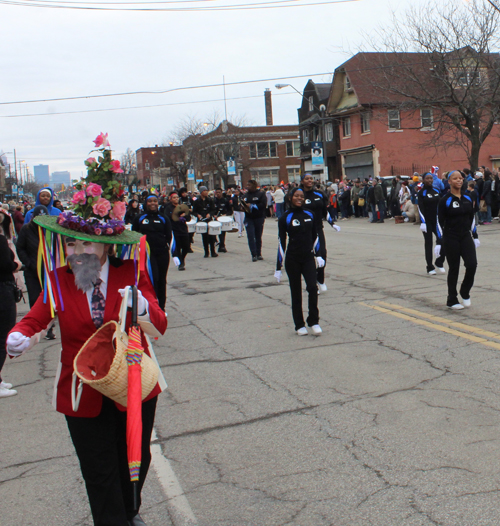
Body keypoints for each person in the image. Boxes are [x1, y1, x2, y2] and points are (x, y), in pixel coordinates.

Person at [7, 135, 168, 526]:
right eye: (73, 245)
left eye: (88, 246)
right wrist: (22, 335)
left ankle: (128, 511)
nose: (79, 253)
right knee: (98, 470)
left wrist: (142, 304)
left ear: (107, 247)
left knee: (135, 458)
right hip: (82, 387)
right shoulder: (61, 280)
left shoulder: (131, 272)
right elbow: (39, 316)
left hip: (131, 381)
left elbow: (159, 323)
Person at [275, 188, 323, 336]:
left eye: (301, 196)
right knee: (296, 292)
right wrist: (278, 267)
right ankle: (299, 325)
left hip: (308, 258)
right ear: (290, 198)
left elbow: (315, 236)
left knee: (312, 288)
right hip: (293, 259)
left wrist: (319, 255)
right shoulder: (285, 218)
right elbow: (282, 242)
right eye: (296, 196)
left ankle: (313, 321)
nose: (299, 198)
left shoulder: (310, 214)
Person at [436, 170, 479, 309]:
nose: (459, 181)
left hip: (465, 236)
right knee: (454, 268)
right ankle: (452, 299)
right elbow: (439, 221)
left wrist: (475, 235)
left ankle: (465, 291)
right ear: (449, 182)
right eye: (455, 179)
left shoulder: (468, 198)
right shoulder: (445, 200)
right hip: (451, 236)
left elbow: (472, 219)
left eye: (460, 178)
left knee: (472, 264)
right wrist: (439, 242)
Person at [300, 173, 339, 293]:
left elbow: (324, 211)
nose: (310, 181)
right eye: (307, 179)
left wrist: (332, 224)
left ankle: (320, 279)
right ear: (302, 181)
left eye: (311, 178)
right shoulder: (299, 195)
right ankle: (311, 284)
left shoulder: (319, 194)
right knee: (309, 258)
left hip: (317, 229)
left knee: (322, 254)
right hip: (304, 231)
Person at [132, 195, 172, 311]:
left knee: (162, 280)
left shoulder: (163, 218)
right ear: (145, 203)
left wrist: (166, 246)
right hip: (147, 254)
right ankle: (151, 305)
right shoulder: (140, 218)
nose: (152, 203)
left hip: (162, 253)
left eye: (155, 201)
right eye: (149, 201)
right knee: (153, 278)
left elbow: (168, 235)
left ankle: (161, 307)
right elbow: (134, 235)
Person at [0, 218, 21, 398]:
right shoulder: (0, 241)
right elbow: (6, 265)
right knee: (2, 337)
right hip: (2, 290)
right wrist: (17, 265)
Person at [417, 173, 446, 275]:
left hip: (437, 221)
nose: (429, 180)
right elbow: (420, 209)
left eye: (431, 178)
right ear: (423, 180)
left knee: (443, 241)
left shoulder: (437, 191)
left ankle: (439, 262)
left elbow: (442, 204)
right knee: (428, 244)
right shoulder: (421, 193)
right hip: (427, 222)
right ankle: (430, 267)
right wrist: (423, 222)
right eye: (427, 178)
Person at [163, 191, 191, 271]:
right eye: (174, 198)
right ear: (171, 199)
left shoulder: (182, 207)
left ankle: (182, 258)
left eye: (177, 197)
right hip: (174, 229)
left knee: (186, 247)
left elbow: (188, 218)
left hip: (183, 229)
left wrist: (185, 216)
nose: (176, 199)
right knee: (177, 247)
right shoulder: (168, 208)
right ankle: (181, 263)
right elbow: (167, 219)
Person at [241, 180, 267, 262]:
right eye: (247, 185)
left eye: (249, 185)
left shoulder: (261, 194)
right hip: (249, 218)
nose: (247, 186)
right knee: (251, 236)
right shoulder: (245, 196)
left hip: (259, 217)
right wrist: (243, 207)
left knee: (258, 236)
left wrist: (252, 205)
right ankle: (254, 254)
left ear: (254, 185)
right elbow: (240, 205)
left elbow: (263, 205)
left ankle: (259, 253)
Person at [192, 186, 218, 258]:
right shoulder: (197, 201)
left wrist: (210, 214)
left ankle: (213, 252)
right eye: (204, 191)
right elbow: (194, 211)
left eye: (207, 190)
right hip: (202, 221)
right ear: (201, 192)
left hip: (209, 220)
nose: (206, 192)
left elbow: (213, 210)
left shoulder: (210, 200)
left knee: (212, 236)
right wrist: (198, 215)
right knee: (205, 237)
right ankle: (206, 252)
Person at [213, 187, 232, 253]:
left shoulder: (225, 200)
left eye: (219, 192)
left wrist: (225, 214)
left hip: (223, 219)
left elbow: (230, 210)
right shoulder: (213, 201)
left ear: (221, 193)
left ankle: (222, 246)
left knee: (222, 233)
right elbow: (211, 210)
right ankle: (218, 244)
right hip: (215, 218)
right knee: (216, 232)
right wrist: (214, 215)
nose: (218, 194)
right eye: (217, 192)